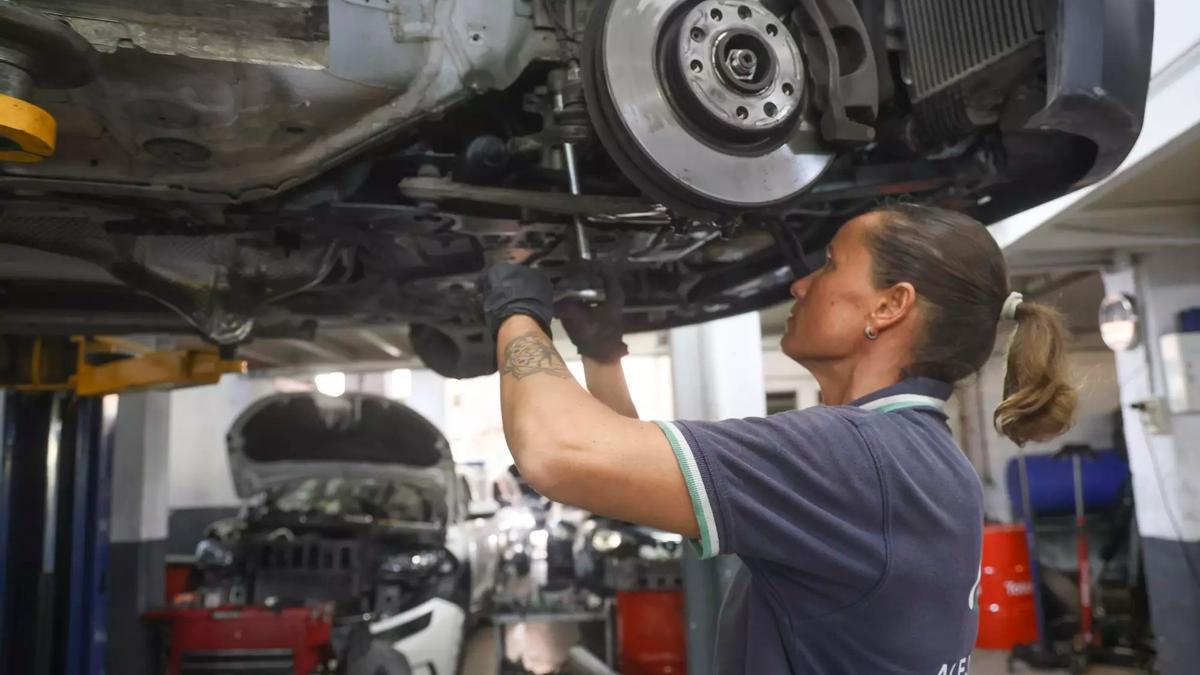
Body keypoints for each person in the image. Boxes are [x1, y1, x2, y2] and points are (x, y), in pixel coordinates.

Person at [482, 204, 1078, 674]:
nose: (800, 285)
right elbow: (621, 467)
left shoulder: (850, 457)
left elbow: (556, 452)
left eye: (829, 264)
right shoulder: (918, 456)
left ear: (891, 305)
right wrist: (603, 356)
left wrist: (516, 309)